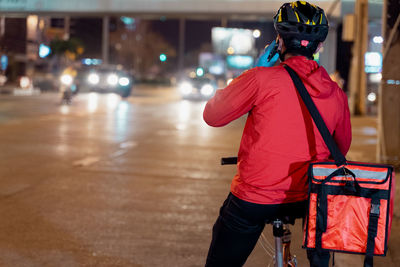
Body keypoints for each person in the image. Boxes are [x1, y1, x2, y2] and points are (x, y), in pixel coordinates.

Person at [203, 1, 352, 267]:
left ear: (278, 42)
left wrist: (254, 69)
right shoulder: (335, 92)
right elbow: (342, 146)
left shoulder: (260, 78)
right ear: (319, 47)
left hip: (254, 200)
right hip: (309, 199)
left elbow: (213, 116)